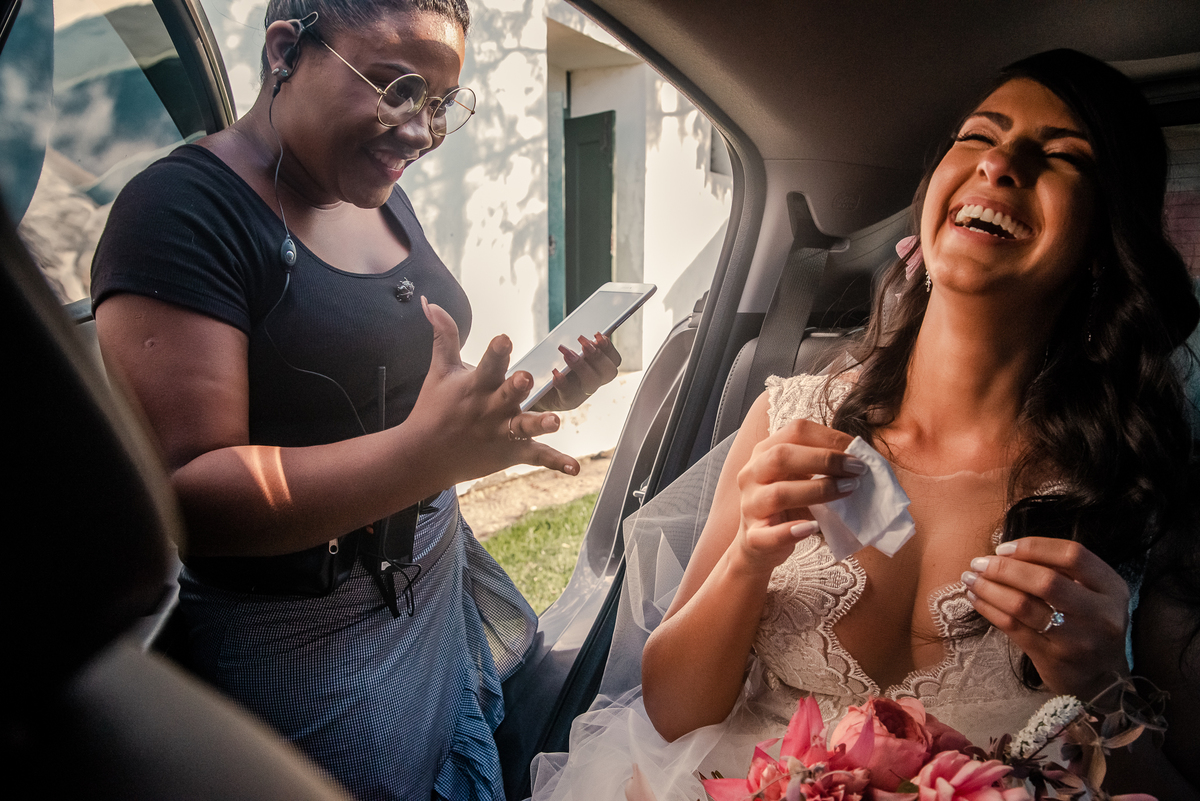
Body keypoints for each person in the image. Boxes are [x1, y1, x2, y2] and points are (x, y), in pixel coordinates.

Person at [531, 49, 1200, 801]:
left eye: (1060, 156)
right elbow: (672, 714)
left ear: (1107, 244)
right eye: (979, 136)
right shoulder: (790, 419)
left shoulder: (1139, 487)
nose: (1001, 164)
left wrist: (1101, 686)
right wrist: (748, 556)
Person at [89, 2, 620, 799]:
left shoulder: (374, 187)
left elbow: (399, 384)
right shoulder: (179, 214)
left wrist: (506, 399)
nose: (422, 131)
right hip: (309, 641)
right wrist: (423, 457)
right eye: (398, 87)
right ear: (285, 50)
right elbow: (190, 494)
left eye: (441, 103)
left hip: (432, 580)